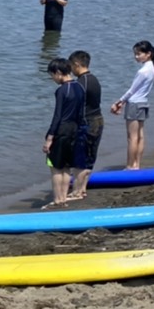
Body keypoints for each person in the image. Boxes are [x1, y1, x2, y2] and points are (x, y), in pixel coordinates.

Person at [43, 58, 86, 207]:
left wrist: (49, 138)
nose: (53, 79)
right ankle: (64, 199)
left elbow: (58, 116)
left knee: (55, 167)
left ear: (59, 73)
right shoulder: (80, 87)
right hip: (75, 130)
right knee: (67, 167)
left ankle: (58, 199)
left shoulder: (62, 90)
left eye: (52, 75)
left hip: (61, 131)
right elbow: (81, 114)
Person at [110, 40, 154, 171]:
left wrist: (119, 102)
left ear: (148, 54)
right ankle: (136, 164)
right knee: (140, 135)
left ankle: (130, 166)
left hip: (134, 104)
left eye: (139, 54)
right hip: (143, 103)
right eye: (135, 54)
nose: (136, 57)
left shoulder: (143, 71)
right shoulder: (153, 69)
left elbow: (132, 90)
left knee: (132, 137)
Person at [67, 50, 104, 199]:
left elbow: (77, 106)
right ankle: (82, 189)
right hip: (98, 119)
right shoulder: (94, 79)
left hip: (88, 122)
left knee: (80, 159)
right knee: (89, 157)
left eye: (71, 66)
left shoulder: (82, 83)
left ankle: (77, 191)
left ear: (76, 64)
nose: (70, 69)